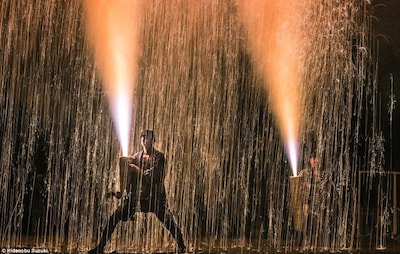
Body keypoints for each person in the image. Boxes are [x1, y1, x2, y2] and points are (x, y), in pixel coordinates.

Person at [89, 130, 186, 253]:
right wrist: (119, 191)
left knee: (169, 222)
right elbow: (128, 178)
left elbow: (154, 177)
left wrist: (136, 169)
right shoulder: (135, 157)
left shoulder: (159, 157)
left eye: (149, 138)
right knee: (114, 217)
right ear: (141, 140)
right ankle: (100, 247)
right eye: (143, 138)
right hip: (137, 199)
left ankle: (182, 247)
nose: (145, 140)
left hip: (155, 198)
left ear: (154, 140)